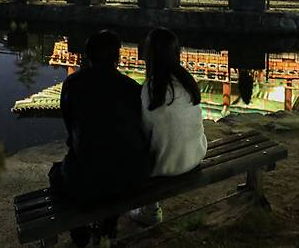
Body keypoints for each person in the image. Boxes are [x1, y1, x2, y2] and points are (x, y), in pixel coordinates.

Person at [49, 30, 150, 247]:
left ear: (87, 55)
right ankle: (109, 224)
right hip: (131, 177)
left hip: (89, 178)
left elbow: (70, 126)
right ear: (118, 57)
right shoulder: (131, 87)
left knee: (57, 175)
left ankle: (79, 232)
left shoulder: (73, 84)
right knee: (116, 158)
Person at [130, 27, 207, 226]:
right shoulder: (188, 82)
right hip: (195, 155)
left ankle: (150, 209)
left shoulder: (152, 89)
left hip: (167, 166)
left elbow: (146, 132)